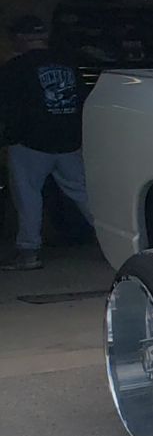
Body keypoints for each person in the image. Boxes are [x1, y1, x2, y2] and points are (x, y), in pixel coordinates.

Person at [1, 15, 93, 271]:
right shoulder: (69, 63)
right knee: (84, 193)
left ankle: (29, 252)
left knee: (28, 196)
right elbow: (83, 99)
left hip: (29, 142)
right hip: (69, 140)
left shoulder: (14, 67)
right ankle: (122, 241)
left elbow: (9, 108)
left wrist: (8, 137)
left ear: (19, 38)